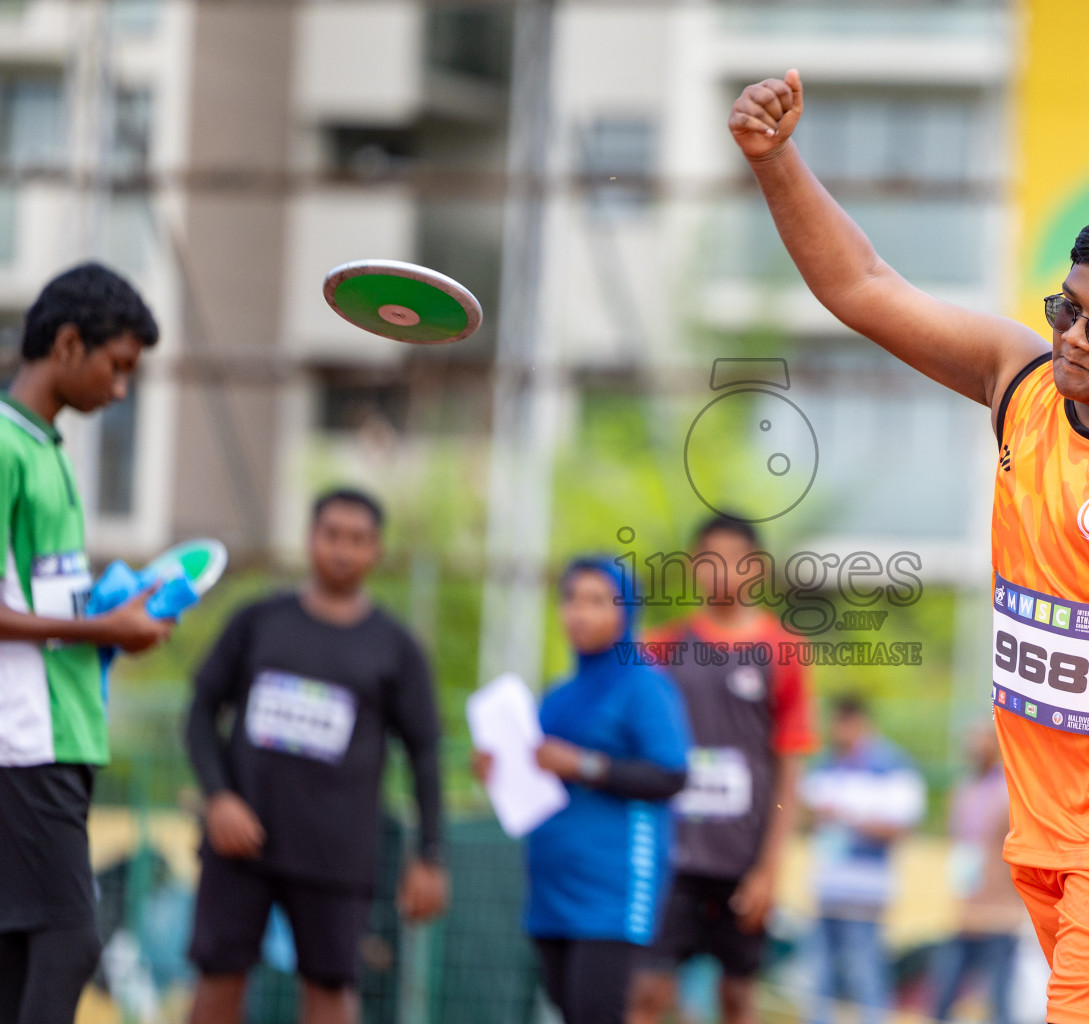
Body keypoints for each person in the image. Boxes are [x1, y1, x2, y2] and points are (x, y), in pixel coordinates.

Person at [730, 72, 1089, 1024]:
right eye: (1064, 306)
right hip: (1043, 820)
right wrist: (776, 161)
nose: (1071, 337)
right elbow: (863, 287)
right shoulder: (1021, 385)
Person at [184, 488, 448, 1024]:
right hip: (242, 845)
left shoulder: (395, 647)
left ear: (377, 550)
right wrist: (218, 799)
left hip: (335, 853)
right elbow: (199, 714)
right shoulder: (258, 620)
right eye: (332, 535)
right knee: (218, 978)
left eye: (358, 539)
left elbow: (425, 753)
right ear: (310, 540)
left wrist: (431, 856)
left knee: (330, 986)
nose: (343, 550)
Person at [0, 263, 172, 1024]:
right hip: (22, 739)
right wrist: (103, 627)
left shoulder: (47, 449)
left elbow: (35, 596)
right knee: (71, 940)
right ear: (69, 344)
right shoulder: (6, 447)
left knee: (19, 951)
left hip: (63, 732)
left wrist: (111, 618)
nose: (122, 388)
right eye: (119, 366)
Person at [629, 516, 817, 1024]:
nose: (721, 571)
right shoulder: (660, 648)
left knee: (737, 999)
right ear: (693, 566)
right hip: (671, 858)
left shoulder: (784, 652)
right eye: (709, 559)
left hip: (743, 864)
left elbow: (789, 768)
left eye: (734, 559)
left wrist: (769, 869)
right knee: (646, 992)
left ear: (756, 568)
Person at [503, 557, 692, 1024]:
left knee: (597, 1012)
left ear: (626, 611)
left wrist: (584, 764)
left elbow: (671, 775)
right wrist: (499, 765)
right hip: (552, 887)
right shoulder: (559, 693)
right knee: (570, 1010)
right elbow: (540, 772)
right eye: (571, 600)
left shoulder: (644, 686)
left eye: (597, 601)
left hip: (611, 888)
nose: (579, 613)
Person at [800, 696, 925, 1024]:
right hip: (829, 885)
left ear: (858, 722)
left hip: (866, 889)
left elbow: (900, 826)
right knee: (820, 974)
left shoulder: (891, 764)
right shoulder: (828, 763)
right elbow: (806, 815)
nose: (836, 730)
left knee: (865, 971)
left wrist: (847, 815)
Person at [929, 725, 1026, 1024]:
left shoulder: (1008, 792)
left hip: (1000, 914)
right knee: (942, 996)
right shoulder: (964, 790)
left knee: (998, 1001)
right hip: (966, 911)